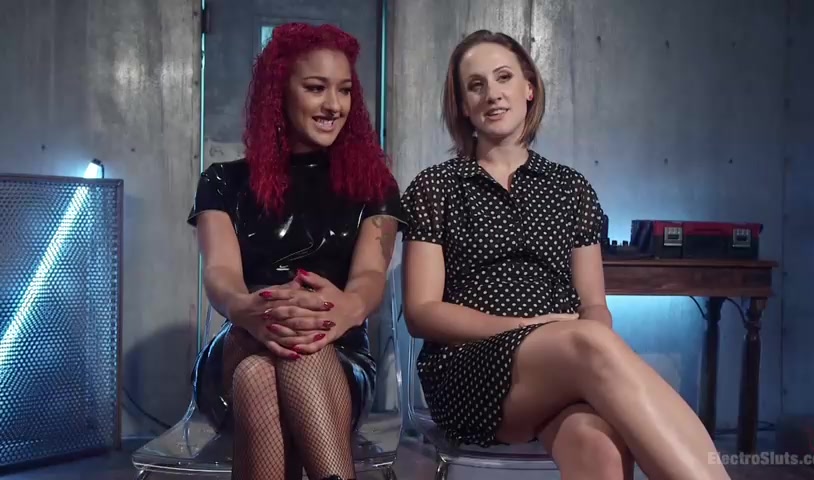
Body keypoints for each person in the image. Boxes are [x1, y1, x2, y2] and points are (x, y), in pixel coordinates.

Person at [400, 29, 731, 480]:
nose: (492, 93)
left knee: (598, 444)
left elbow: (594, 305)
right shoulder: (436, 187)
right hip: (469, 368)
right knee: (589, 341)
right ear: (462, 105)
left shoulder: (571, 188)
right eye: (476, 85)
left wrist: (580, 337)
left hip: (566, 364)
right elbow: (422, 313)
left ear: (529, 88)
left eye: (503, 77)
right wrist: (535, 329)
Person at [187, 23, 403, 480]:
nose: (334, 105)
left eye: (344, 90)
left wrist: (345, 309)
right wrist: (248, 308)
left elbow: (370, 277)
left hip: (339, 353)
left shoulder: (375, 187)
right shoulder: (223, 181)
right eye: (316, 88)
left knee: (269, 370)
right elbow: (221, 273)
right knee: (276, 353)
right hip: (243, 338)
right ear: (279, 93)